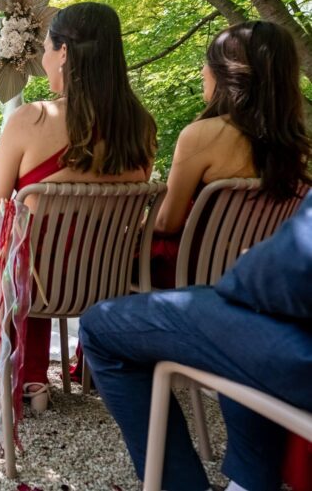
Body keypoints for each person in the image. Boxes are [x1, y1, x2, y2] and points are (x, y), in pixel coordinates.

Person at [0, 2, 157, 411]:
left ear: (64, 53)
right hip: (102, 278)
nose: (42, 59)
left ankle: (5, 377)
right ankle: (34, 377)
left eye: (45, 48)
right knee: (26, 253)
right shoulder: (142, 126)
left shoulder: (33, 119)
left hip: (33, 279)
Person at [80, 191, 312, 491]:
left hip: (292, 339)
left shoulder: (199, 141)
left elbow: (166, 221)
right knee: (242, 322)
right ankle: (248, 483)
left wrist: (244, 271)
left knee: (100, 327)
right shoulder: (292, 159)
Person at [150, 21, 312, 288]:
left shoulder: (202, 135)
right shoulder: (292, 144)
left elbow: (167, 223)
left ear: (230, 73)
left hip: (190, 273)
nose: (203, 71)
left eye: (210, 63)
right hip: (254, 273)